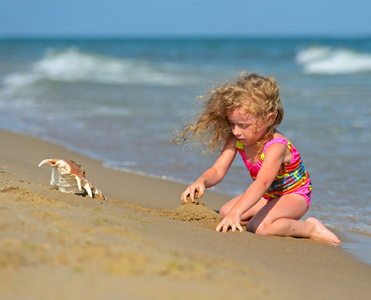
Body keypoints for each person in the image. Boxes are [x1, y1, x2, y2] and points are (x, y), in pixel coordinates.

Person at [173, 72, 340, 245]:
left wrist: (237, 213)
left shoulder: (276, 147)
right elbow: (217, 170)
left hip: (294, 196)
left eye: (243, 126)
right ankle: (266, 217)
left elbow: (262, 183)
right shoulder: (237, 138)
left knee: (259, 228)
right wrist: (201, 182)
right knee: (225, 211)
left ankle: (309, 228)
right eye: (232, 124)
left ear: (269, 119)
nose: (236, 131)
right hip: (269, 195)